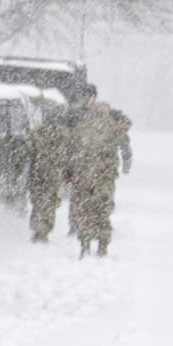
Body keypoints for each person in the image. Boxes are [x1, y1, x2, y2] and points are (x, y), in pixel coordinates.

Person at [67, 84, 132, 257]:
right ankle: (85, 243)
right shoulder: (79, 119)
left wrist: (126, 162)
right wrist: (68, 169)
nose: (88, 100)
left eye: (90, 96)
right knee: (84, 209)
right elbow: (70, 146)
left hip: (104, 174)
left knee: (102, 209)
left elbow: (124, 140)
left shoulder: (111, 120)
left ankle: (102, 244)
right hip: (84, 173)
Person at [25, 109, 72, 242]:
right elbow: (70, 154)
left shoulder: (37, 132)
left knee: (38, 202)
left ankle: (38, 230)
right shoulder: (64, 134)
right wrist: (69, 172)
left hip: (39, 173)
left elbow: (28, 149)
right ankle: (44, 230)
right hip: (54, 175)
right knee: (50, 203)